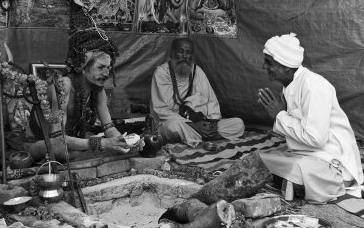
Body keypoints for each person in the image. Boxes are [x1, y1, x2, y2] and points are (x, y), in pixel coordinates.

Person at [257, 32, 364, 203]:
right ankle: (294, 183)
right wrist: (281, 114)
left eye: (269, 63)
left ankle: (324, 183)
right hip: (306, 154)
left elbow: (316, 139)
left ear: (286, 66)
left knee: (297, 168)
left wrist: (279, 114)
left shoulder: (313, 87)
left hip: (331, 160)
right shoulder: (290, 85)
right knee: (259, 160)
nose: (265, 67)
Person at [26, 28, 137, 162]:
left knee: (98, 147)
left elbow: (109, 127)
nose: (107, 73)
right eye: (101, 67)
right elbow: (57, 139)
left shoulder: (98, 89)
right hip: (42, 143)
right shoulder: (63, 86)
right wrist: (103, 143)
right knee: (61, 150)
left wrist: (122, 142)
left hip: (70, 142)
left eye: (109, 67)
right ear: (82, 67)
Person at [150, 38, 244, 147]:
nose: (185, 56)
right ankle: (203, 136)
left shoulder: (196, 71)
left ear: (192, 56)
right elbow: (162, 111)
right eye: (181, 51)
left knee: (238, 124)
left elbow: (211, 101)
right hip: (171, 122)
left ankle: (200, 135)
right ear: (172, 53)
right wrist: (193, 126)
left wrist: (213, 123)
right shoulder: (161, 73)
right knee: (173, 128)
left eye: (188, 52)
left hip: (199, 120)